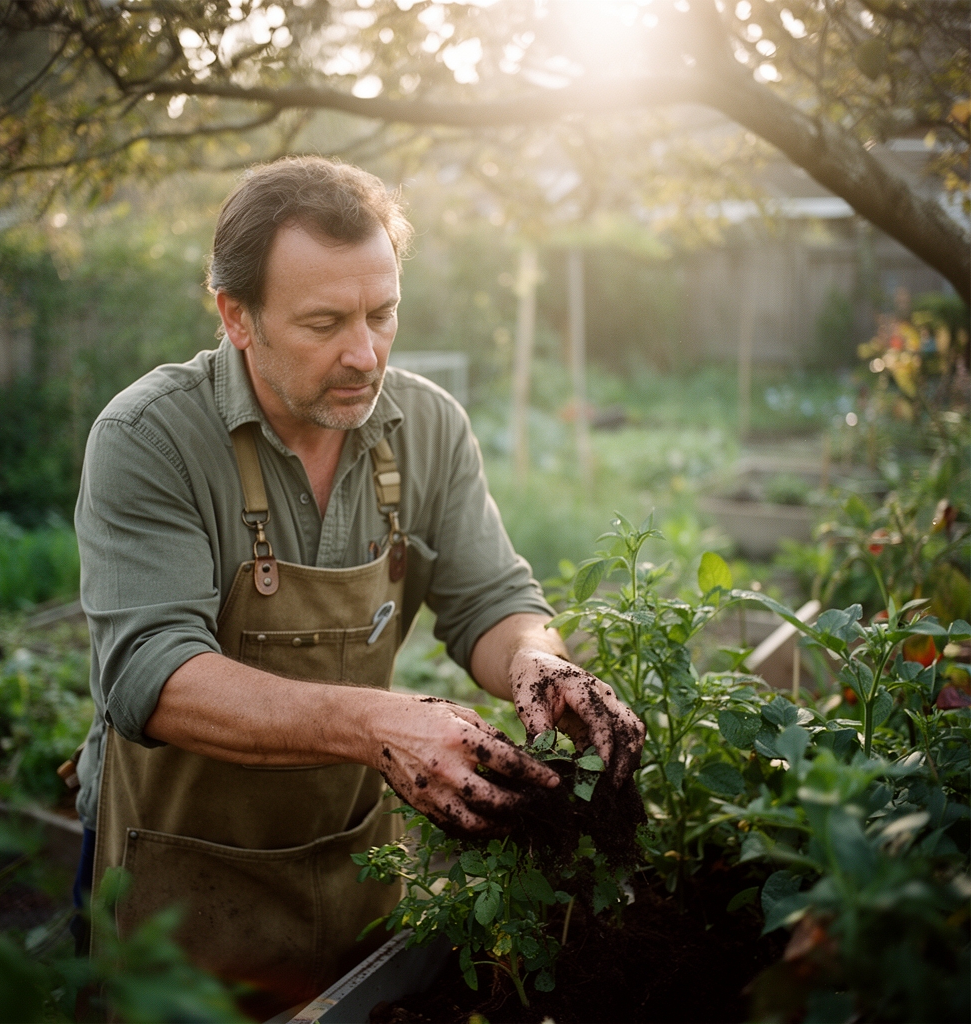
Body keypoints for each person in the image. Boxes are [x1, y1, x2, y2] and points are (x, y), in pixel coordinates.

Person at [71, 156, 644, 1011]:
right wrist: (377, 722)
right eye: (325, 322)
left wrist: (536, 658)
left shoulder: (428, 425)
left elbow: (492, 600)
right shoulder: (150, 437)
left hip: (350, 853)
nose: (364, 353)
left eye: (382, 314)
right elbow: (150, 672)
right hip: (173, 869)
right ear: (237, 316)